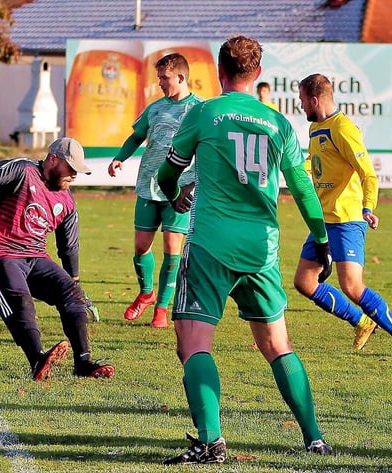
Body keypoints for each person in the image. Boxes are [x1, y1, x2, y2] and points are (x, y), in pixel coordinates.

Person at [155, 35, 334, 464]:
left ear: (219, 72)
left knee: (193, 343)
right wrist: (323, 240)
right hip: (262, 250)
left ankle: (212, 441)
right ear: (257, 75)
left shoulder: (205, 112)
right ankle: (314, 438)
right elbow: (304, 189)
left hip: (212, 245)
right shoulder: (279, 124)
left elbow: (167, 171)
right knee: (277, 344)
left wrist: (174, 193)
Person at [0, 137, 114, 381]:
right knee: (21, 303)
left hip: (35, 257)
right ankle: (37, 360)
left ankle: (83, 363)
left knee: (71, 295)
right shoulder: (24, 170)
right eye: (71, 167)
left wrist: (75, 282)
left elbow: (69, 246)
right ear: (53, 159)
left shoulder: (67, 201)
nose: (75, 175)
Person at [291, 73, 392, 359]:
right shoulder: (317, 128)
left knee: (351, 285)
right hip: (322, 219)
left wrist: (368, 207)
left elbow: (368, 173)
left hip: (347, 219)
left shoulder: (343, 128)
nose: (301, 107)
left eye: (302, 101)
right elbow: (316, 164)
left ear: (314, 99)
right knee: (304, 281)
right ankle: (362, 321)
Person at [108, 53, 202, 328]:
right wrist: (119, 158)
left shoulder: (199, 110)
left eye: (164, 77)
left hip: (180, 190)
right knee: (140, 248)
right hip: (148, 186)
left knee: (173, 251)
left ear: (181, 77)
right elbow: (137, 136)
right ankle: (146, 293)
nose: (160, 82)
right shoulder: (155, 108)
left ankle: (161, 310)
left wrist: (195, 182)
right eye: (159, 77)